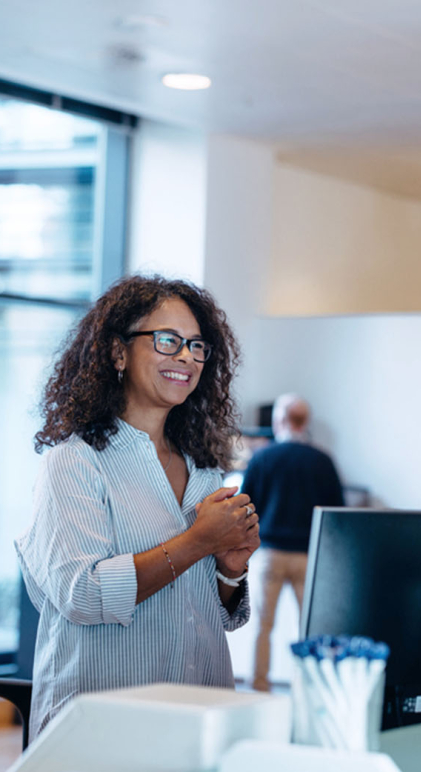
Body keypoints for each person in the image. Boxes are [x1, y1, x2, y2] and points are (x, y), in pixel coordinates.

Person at [16, 275, 261, 739]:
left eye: (196, 346)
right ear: (118, 352)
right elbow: (82, 595)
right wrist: (197, 541)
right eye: (168, 341)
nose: (187, 357)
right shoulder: (74, 462)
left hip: (200, 719)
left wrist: (230, 571)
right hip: (102, 728)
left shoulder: (203, 470)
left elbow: (208, 613)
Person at [242, 394, 344, 692]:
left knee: (263, 626)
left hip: (270, 554)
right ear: (306, 422)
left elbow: (247, 506)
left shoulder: (262, 458)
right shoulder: (323, 461)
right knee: (309, 627)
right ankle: (309, 686)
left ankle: (259, 685)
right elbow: (335, 513)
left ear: (278, 421)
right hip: (307, 557)